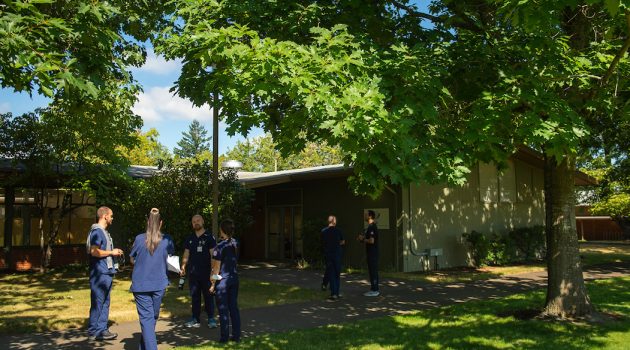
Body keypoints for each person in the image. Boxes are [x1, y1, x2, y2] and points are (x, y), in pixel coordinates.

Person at [129, 208, 175, 350]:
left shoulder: (139, 239)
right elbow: (172, 261)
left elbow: (132, 258)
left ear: (148, 222)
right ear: (160, 223)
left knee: (150, 319)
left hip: (145, 284)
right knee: (150, 319)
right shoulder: (167, 240)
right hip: (157, 284)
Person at [87, 206, 124, 341]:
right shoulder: (97, 232)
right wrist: (112, 252)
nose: (112, 218)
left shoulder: (104, 232)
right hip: (99, 273)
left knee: (105, 303)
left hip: (106, 272)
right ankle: (93, 331)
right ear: (105, 216)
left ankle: (102, 330)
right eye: (111, 216)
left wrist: (114, 252)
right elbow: (94, 251)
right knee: (98, 302)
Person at [181, 214, 218, 328]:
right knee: (195, 297)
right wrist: (183, 265)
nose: (196, 223)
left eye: (198, 220)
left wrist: (213, 271)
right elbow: (186, 253)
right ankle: (195, 319)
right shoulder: (190, 238)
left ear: (202, 222)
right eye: (193, 221)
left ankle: (211, 318)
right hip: (193, 273)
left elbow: (214, 255)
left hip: (207, 273)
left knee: (209, 296)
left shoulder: (209, 237)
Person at [210, 219, 241, 343]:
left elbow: (216, 269)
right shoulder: (235, 243)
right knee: (233, 308)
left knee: (223, 309)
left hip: (223, 281)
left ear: (222, 230)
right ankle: (236, 336)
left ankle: (224, 338)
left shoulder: (220, 247)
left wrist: (212, 283)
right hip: (234, 278)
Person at [321, 215, 345, 300]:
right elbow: (343, 242)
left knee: (331, 273)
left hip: (329, 254)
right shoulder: (339, 231)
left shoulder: (324, 231)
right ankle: (336, 293)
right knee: (337, 274)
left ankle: (334, 293)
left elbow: (324, 242)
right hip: (337, 254)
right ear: (334, 222)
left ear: (328, 221)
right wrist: (337, 244)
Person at [357, 210, 379, 296]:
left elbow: (372, 241)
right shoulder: (370, 226)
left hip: (373, 253)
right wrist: (362, 239)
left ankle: (375, 290)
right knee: (371, 271)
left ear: (369, 216)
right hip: (371, 252)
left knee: (373, 271)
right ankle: (373, 289)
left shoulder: (372, 227)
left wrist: (363, 239)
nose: (364, 216)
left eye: (365, 215)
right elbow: (368, 240)